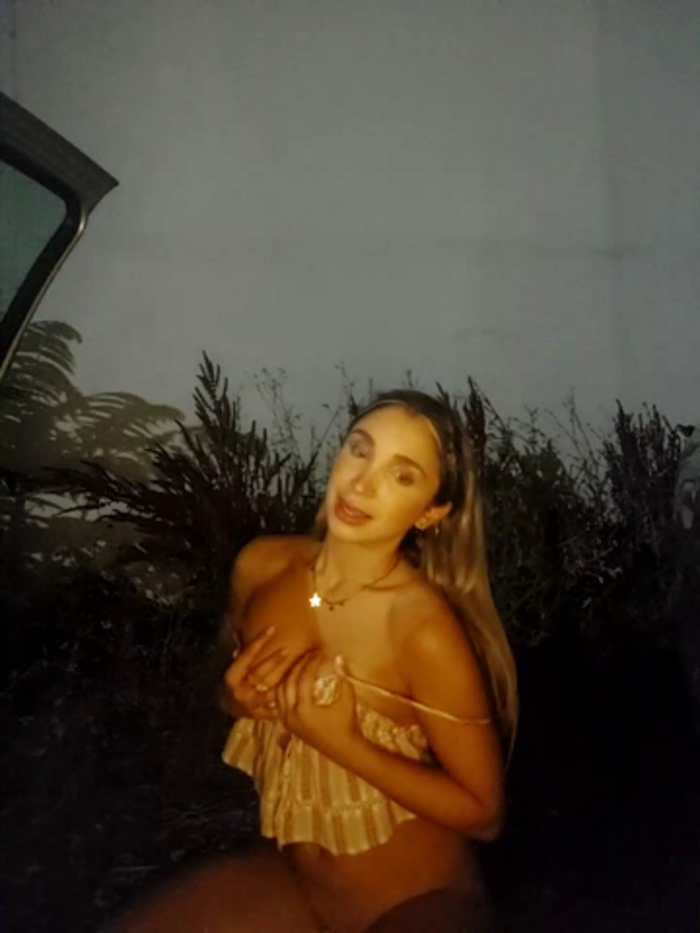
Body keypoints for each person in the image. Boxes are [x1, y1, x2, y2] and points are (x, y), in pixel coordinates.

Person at [116, 389, 517, 933]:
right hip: (298, 885)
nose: (362, 483)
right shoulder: (262, 565)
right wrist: (234, 698)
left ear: (431, 512)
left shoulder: (421, 629)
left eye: (401, 475)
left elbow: (485, 813)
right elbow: (221, 675)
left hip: (419, 899)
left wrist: (342, 741)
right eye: (360, 449)